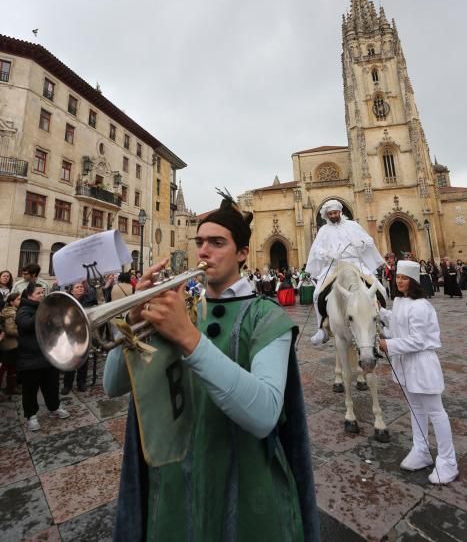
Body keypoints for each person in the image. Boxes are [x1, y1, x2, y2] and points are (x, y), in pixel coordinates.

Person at [104, 191, 319, 541]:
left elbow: (264, 413)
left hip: (245, 483)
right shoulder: (183, 309)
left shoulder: (267, 317)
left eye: (217, 242)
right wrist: (132, 319)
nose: (204, 251)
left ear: (243, 253)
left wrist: (188, 338)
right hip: (177, 482)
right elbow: (113, 385)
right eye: (200, 241)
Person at [379, 261, 458, 485]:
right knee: (415, 408)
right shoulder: (401, 301)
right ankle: (421, 449)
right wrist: (380, 316)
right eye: (398, 277)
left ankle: (448, 461)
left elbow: (418, 339)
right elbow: (396, 327)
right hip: (406, 364)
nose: (400, 281)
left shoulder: (421, 306)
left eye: (404, 278)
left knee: (435, 411)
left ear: (413, 281)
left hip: (422, 363)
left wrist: (389, 345)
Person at [306, 199, 385, 345]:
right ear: (327, 215)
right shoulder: (323, 230)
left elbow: (368, 240)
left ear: (340, 212)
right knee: (317, 293)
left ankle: (383, 322)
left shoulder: (353, 225)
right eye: (330, 214)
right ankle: (321, 329)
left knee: (379, 287)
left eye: (335, 213)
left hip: (356, 263)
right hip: (335, 265)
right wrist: (328, 254)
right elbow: (316, 249)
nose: (333, 216)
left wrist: (361, 244)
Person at [16, 283, 69, 430]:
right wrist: (43, 314)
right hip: (31, 359)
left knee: (52, 385)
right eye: (39, 293)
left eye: (42, 292)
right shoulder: (24, 310)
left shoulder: (43, 308)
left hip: (48, 356)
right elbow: (25, 325)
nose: (42, 295)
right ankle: (31, 416)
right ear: (30, 295)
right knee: (30, 390)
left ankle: (54, 408)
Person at [61, 282, 89, 394]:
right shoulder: (67, 301)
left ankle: (81, 383)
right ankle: (67, 385)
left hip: (84, 333)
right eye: (77, 287)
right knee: (71, 359)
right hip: (71, 334)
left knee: (83, 360)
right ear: (72, 291)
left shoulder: (89, 299)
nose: (80, 289)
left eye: (81, 287)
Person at [0, 292, 20, 396]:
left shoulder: (14, 311)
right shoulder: (11, 313)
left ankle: (11, 388)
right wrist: (22, 332)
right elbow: (10, 330)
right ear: (11, 302)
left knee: (12, 368)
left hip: (13, 345)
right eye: (18, 299)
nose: (20, 301)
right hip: (9, 345)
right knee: (5, 368)